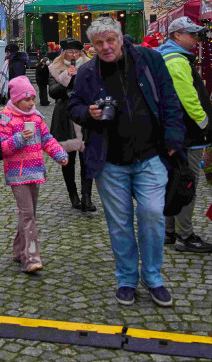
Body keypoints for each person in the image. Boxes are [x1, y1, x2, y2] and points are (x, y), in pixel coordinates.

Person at [68, 17, 185, 308]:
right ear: (91, 46)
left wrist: (173, 139)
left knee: (152, 215)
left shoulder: (149, 60)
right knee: (119, 224)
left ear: (121, 38)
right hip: (110, 161)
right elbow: (74, 105)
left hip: (150, 155)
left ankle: (154, 277)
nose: (106, 47)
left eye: (111, 40)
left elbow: (170, 99)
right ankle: (126, 279)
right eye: (99, 43)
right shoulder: (86, 73)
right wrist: (88, 114)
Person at [0, 76, 68, 273]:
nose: (31, 103)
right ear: (17, 99)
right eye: (27, 99)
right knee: (28, 215)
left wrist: (59, 153)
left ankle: (18, 250)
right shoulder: (6, 118)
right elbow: (1, 147)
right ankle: (31, 257)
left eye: (33, 99)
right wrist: (19, 138)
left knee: (29, 214)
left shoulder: (36, 118)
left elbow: (47, 139)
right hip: (17, 174)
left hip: (35, 172)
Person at [158, 17, 212, 254]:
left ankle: (169, 232)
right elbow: (188, 98)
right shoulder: (176, 60)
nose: (196, 39)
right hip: (186, 133)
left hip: (174, 132)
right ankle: (186, 235)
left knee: (174, 182)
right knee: (186, 184)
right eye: (192, 34)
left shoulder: (168, 56)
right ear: (177, 35)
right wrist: (205, 124)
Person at [49, 38, 94, 212]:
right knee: (68, 160)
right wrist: (67, 76)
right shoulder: (55, 68)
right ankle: (73, 195)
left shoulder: (90, 67)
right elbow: (52, 92)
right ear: (63, 53)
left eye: (76, 52)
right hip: (65, 118)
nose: (73, 55)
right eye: (70, 52)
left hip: (85, 116)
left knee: (87, 159)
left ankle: (87, 197)